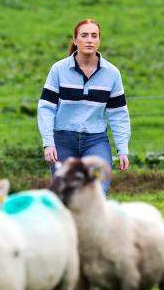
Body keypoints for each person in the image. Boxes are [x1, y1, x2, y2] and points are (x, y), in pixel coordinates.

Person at [37, 19, 131, 193]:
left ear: (99, 41)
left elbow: (118, 113)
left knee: (99, 190)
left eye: (94, 36)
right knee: (64, 194)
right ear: (75, 40)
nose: (89, 40)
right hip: (63, 140)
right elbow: (46, 108)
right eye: (84, 35)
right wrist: (48, 143)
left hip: (95, 140)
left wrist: (122, 149)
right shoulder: (58, 69)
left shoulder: (112, 73)